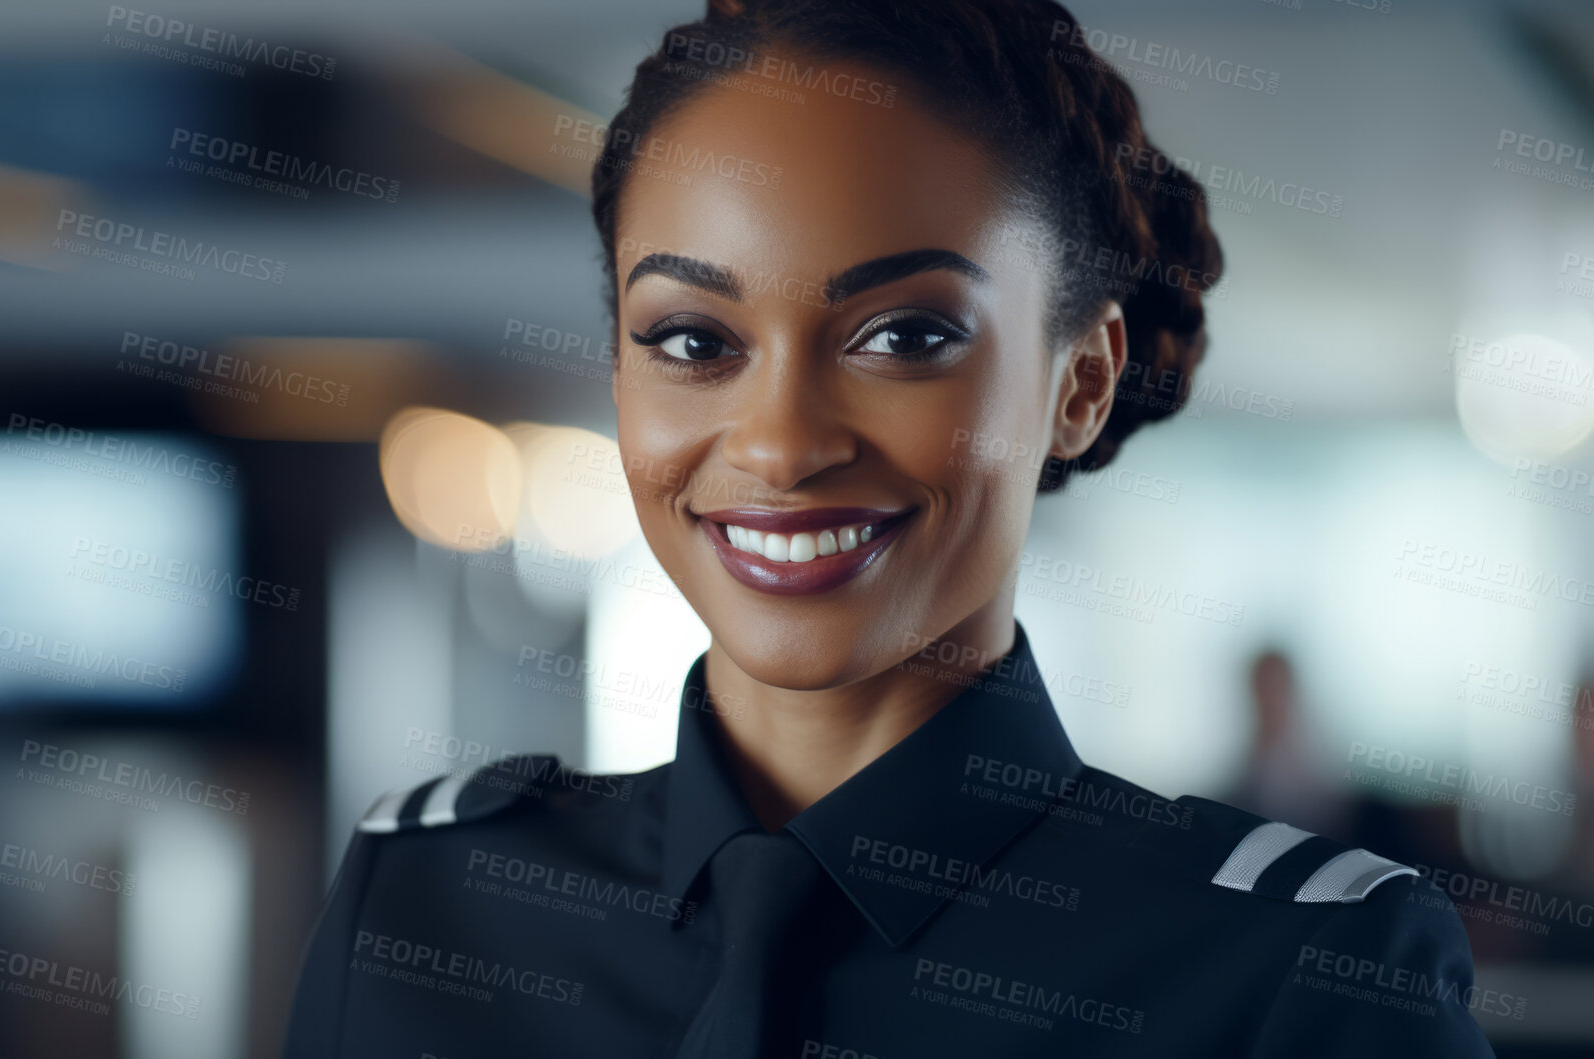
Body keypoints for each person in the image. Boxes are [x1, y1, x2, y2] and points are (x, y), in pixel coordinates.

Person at [283, 0, 1497, 1054]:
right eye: (693, 342)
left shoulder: (1296, 967)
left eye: (905, 337)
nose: (778, 444)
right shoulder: (428, 899)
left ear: (1077, 383)